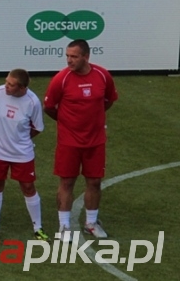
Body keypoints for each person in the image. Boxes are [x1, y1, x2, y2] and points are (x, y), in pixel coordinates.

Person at [44, 40, 117, 240]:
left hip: (95, 141)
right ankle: (64, 226)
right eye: (67, 56)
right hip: (69, 142)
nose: (69, 60)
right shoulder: (61, 79)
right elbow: (50, 107)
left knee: (94, 182)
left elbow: (109, 101)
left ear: (86, 57)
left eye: (74, 56)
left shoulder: (102, 75)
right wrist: (68, 123)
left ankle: (91, 223)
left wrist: (93, 121)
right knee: (67, 182)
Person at [0, 69, 49, 242]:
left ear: (21, 88)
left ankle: (38, 228)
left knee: (28, 187)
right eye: (6, 82)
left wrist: (18, 139)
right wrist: (2, 135)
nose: (6, 86)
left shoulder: (32, 102)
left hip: (22, 153)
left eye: (11, 85)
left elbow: (37, 128)